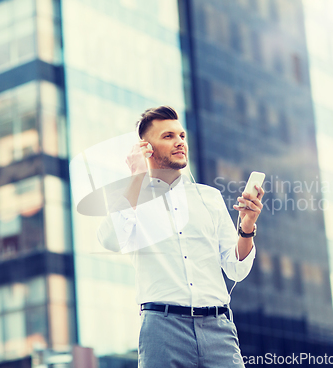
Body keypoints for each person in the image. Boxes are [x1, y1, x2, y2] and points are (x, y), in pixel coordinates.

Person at [97, 106, 265, 368]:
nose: (179, 142)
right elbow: (110, 240)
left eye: (182, 136)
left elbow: (236, 269)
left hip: (218, 329)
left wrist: (246, 227)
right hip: (163, 330)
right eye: (168, 136)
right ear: (146, 148)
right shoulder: (130, 197)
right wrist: (137, 177)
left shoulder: (209, 198)